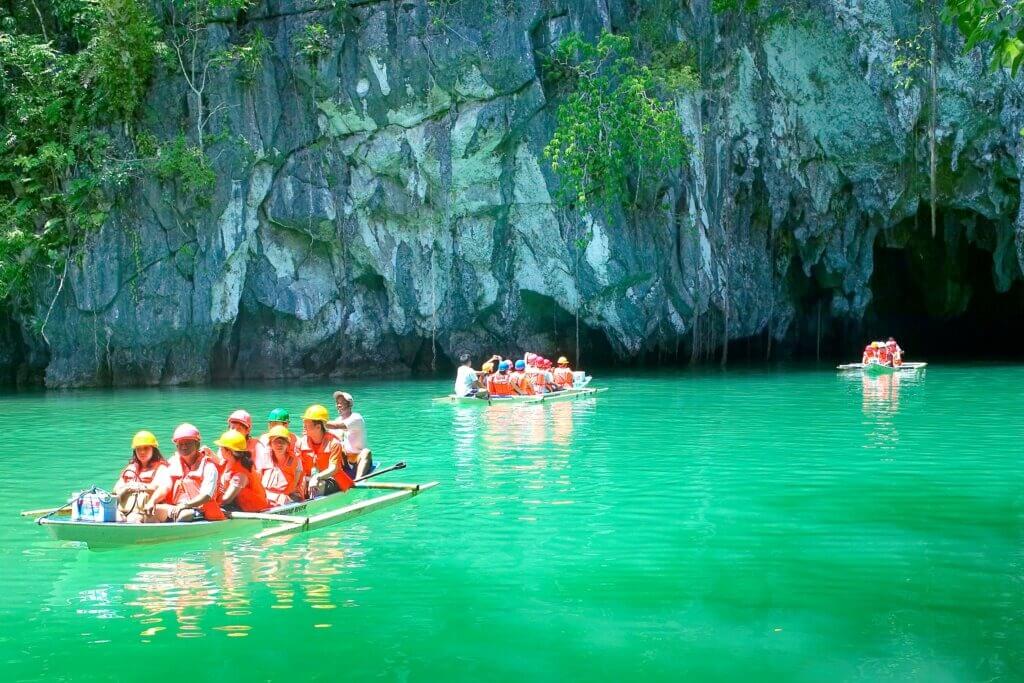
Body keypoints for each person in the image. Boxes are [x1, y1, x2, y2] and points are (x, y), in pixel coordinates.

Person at [145, 423, 225, 522]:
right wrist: (152, 501)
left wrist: (185, 505)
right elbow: (164, 486)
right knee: (147, 510)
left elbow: (206, 496)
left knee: (185, 515)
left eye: (188, 443)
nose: (184, 447)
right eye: (180, 444)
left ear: (197, 444)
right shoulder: (172, 463)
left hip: (199, 510)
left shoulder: (209, 467)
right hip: (175, 507)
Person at [299, 404, 354, 497]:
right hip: (309, 478)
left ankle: (313, 509)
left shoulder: (334, 443)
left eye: (307, 422)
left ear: (318, 427)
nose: (304, 424)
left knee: (317, 487)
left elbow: (333, 469)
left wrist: (317, 477)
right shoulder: (302, 442)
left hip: (332, 479)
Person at [113, 431, 168, 523]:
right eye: (139, 449)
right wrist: (127, 487)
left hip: (149, 510)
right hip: (127, 507)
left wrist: (139, 486)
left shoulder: (161, 468)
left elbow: (160, 487)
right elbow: (116, 489)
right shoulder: (131, 468)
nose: (142, 452)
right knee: (115, 517)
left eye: (146, 448)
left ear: (153, 450)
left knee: (133, 518)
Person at [216, 429, 269, 513]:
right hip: (239, 504)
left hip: (255, 509)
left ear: (229, 452)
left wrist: (206, 502)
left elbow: (226, 500)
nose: (219, 449)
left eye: (221, 448)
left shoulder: (240, 475)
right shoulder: (229, 461)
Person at [326, 391, 373, 479]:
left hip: (359, 458)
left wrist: (319, 422)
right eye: (337, 403)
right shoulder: (337, 419)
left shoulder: (356, 418)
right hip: (345, 460)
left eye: (342, 403)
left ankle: (359, 480)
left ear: (349, 404)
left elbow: (336, 426)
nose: (339, 405)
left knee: (366, 452)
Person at [259, 425, 303, 506]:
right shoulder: (263, 458)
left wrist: (283, 497)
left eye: (283, 441)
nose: (279, 445)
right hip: (266, 497)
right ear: (270, 444)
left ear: (288, 445)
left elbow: (294, 486)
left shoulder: (296, 461)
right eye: (276, 441)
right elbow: (258, 482)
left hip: (286, 498)